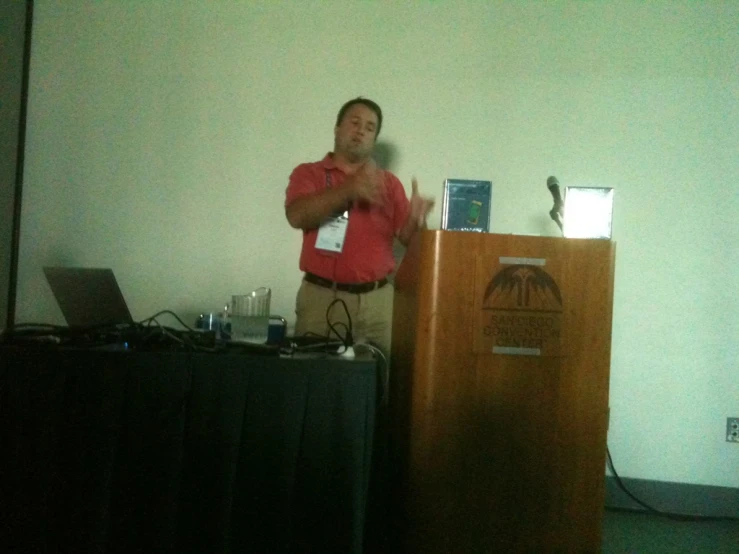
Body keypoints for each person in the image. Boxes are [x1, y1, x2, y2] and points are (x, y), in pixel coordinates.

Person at [284, 97, 434, 355]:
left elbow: (409, 240)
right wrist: (349, 190)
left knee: (377, 384)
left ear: (374, 139)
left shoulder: (389, 183)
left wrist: (416, 220)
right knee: (316, 382)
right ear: (337, 128)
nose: (361, 131)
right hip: (321, 298)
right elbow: (297, 216)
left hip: (378, 304)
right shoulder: (309, 173)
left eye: (369, 127)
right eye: (354, 123)